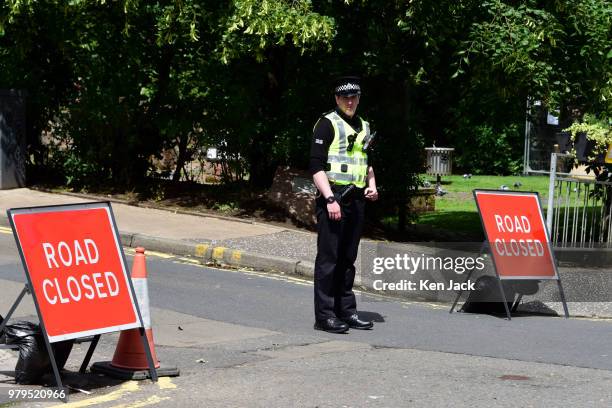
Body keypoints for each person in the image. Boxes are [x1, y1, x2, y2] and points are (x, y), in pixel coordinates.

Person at [309, 76, 379, 333]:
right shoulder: (327, 124)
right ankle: (324, 316)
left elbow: (365, 160)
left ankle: (346, 311)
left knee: (348, 259)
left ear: (358, 98)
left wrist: (372, 184)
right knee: (329, 259)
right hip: (334, 198)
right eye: (344, 98)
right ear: (337, 99)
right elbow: (315, 166)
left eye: (354, 97)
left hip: (357, 199)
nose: (349, 102)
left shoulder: (364, 125)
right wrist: (329, 198)